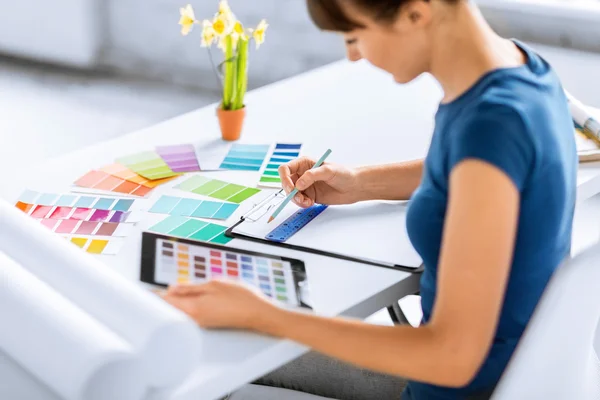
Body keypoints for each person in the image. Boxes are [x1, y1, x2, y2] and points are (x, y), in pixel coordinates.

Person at [162, 0, 577, 398]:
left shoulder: (491, 126)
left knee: (209, 360)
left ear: (416, 12)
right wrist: (357, 182)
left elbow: (452, 358)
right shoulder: (519, 70)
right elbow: (473, 173)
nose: (354, 56)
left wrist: (264, 316)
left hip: (456, 385)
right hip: (516, 375)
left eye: (354, 35)